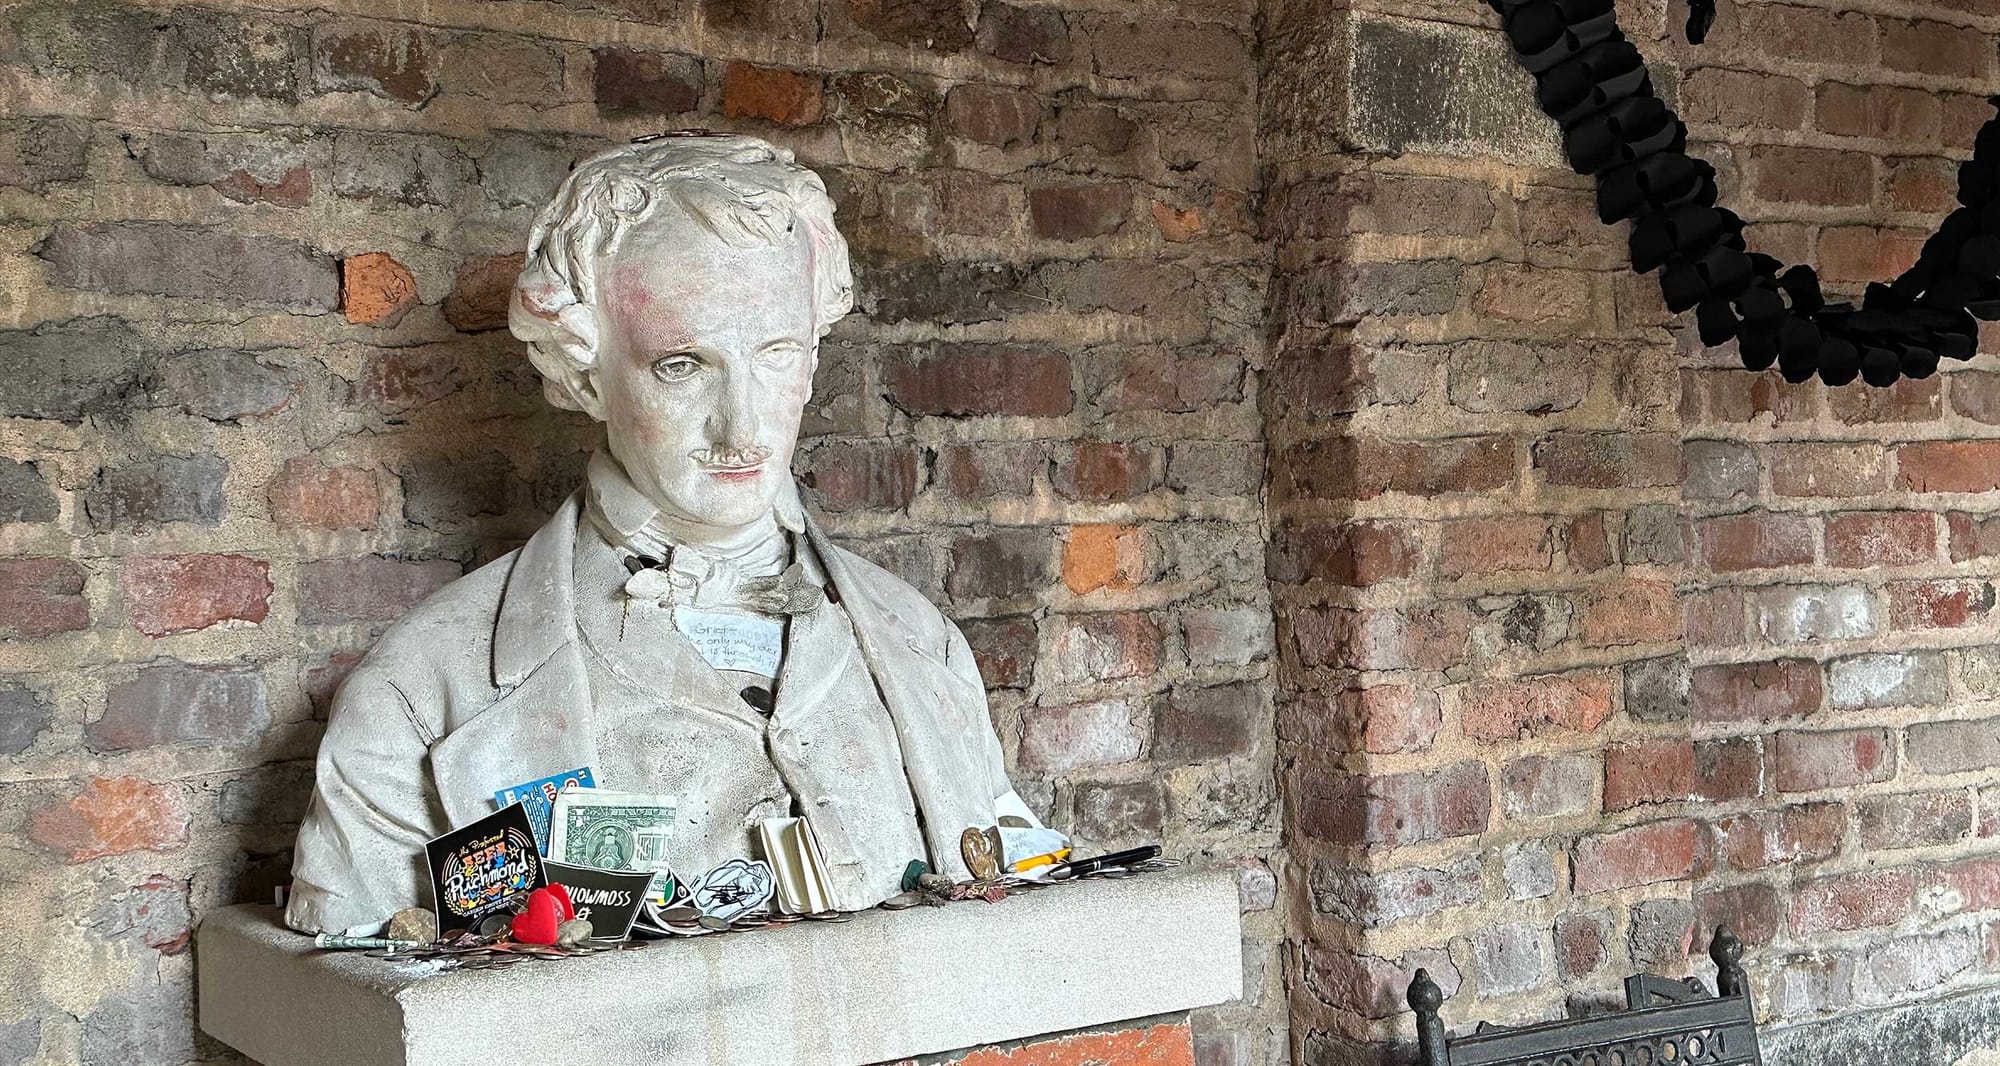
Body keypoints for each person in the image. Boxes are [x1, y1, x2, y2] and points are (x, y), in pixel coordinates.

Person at [285, 133, 1050, 935]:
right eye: (683, 366)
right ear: (585, 370)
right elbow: (358, 1001)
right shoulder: (425, 689)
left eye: (777, 355)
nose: (742, 427)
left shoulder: (922, 645)